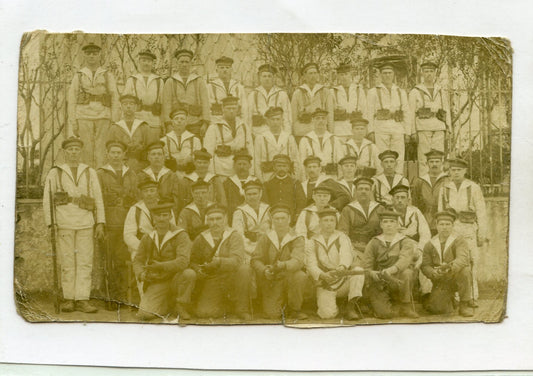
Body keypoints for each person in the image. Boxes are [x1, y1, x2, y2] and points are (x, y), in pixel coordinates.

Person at [43, 137, 105, 313]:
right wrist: (51, 223)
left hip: (86, 221)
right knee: (68, 261)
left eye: (76, 149)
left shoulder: (89, 172)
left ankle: (83, 299)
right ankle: (69, 298)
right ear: (64, 152)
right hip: (64, 222)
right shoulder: (55, 172)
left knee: (85, 260)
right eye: (70, 149)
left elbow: (98, 198)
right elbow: (47, 200)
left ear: (81, 151)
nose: (73, 152)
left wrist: (100, 222)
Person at [132, 201, 196, 321]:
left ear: (170, 217)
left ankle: (180, 305)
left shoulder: (180, 235)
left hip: (176, 278)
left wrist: (160, 266)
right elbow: (138, 260)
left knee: (189, 274)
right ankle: (168, 303)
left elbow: (183, 261)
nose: (161, 219)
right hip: (158, 280)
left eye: (165, 215)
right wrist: (141, 273)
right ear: (153, 218)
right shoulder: (148, 237)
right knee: (145, 314)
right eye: (158, 215)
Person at [189, 204, 252, 320]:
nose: (215, 222)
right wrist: (198, 270)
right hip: (213, 278)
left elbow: (237, 260)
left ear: (225, 219)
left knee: (244, 269)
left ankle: (242, 308)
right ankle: (225, 305)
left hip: (232, 276)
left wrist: (219, 261)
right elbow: (193, 261)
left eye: (218, 218)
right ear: (207, 221)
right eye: (211, 219)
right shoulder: (201, 238)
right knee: (204, 313)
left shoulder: (234, 236)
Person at [438, 158, 487, 303]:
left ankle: (471, 296)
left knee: (471, 262)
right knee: (451, 261)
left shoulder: (473, 187)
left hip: (469, 230)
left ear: (465, 171)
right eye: (453, 170)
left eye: (459, 170)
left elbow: (481, 212)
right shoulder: (444, 188)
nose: (456, 173)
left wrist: (481, 234)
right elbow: (440, 213)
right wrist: (442, 233)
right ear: (449, 172)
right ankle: (454, 296)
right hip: (451, 230)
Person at [96, 140, 138, 306]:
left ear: (124, 155)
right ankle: (110, 298)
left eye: (118, 153)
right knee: (108, 262)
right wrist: (100, 223)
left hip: (127, 226)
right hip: (109, 225)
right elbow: (98, 200)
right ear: (107, 155)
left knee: (123, 261)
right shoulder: (100, 174)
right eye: (112, 152)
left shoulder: (132, 175)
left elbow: (136, 199)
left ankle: (123, 296)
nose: (115, 156)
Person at [306, 207, 365, 320]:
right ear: (320, 223)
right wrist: (322, 275)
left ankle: (350, 306)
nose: (329, 224)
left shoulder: (342, 237)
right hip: (326, 280)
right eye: (325, 220)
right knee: (327, 315)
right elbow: (310, 264)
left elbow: (346, 254)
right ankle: (339, 306)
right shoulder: (312, 240)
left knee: (358, 272)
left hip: (342, 277)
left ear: (336, 222)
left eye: (332, 220)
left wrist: (342, 267)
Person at [251, 204, 308, 320]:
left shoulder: (297, 238)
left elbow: (298, 261)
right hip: (272, 277)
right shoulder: (266, 237)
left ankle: (294, 309)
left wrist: (283, 265)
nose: (280, 222)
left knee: (300, 276)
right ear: (272, 220)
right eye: (277, 219)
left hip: (289, 275)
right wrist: (264, 270)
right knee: (272, 315)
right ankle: (280, 304)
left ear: (289, 219)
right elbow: (256, 259)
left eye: (283, 218)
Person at [67, 42, 119, 167]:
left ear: (99, 55)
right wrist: (73, 121)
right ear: (84, 55)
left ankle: (100, 178)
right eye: (88, 53)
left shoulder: (107, 74)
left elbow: (115, 97)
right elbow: (72, 99)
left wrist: (114, 120)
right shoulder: (79, 75)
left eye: (95, 54)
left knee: (102, 149)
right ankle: (88, 178)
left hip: (103, 115)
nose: (92, 56)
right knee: (86, 149)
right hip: (84, 115)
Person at [362, 209, 418, 319]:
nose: (389, 225)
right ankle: (383, 304)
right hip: (380, 281)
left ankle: (406, 306)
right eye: (386, 222)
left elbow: (405, 260)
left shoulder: (405, 241)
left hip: (397, 278)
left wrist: (391, 270)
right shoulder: (374, 242)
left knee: (407, 273)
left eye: (392, 222)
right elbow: (367, 264)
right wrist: (372, 273)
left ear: (397, 224)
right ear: (381, 224)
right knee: (384, 314)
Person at [421, 209, 474, 317]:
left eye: (447, 224)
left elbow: (462, 259)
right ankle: (450, 299)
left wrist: (448, 268)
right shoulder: (429, 244)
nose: (444, 227)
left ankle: (464, 304)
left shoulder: (459, 240)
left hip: (455, 276)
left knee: (465, 271)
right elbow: (425, 265)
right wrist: (432, 273)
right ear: (436, 225)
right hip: (440, 279)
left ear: (452, 226)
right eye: (441, 224)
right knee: (437, 309)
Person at [367, 63, 411, 173]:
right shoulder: (373, 92)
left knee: (399, 157)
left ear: (394, 75)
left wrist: (407, 132)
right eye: (385, 73)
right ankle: (382, 182)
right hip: (381, 127)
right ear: (381, 75)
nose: (387, 75)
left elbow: (406, 112)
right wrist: (371, 131)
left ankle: (398, 182)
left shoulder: (401, 92)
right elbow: (369, 112)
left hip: (398, 128)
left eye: (390, 73)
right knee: (382, 156)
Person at [409, 61, 451, 175]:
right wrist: (412, 132)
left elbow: (446, 109)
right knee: (424, 158)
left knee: (438, 157)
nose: (429, 74)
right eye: (426, 71)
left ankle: (438, 184)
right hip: (423, 127)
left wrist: (448, 128)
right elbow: (411, 113)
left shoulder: (441, 90)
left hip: (439, 127)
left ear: (435, 73)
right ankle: (424, 184)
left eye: (431, 71)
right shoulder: (415, 91)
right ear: (422, 73)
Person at [390, 184, 432, 297]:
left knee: (424, 260)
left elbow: (425, 232)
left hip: (414, 245)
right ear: (392, 199)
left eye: (403, 198)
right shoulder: (388, 212)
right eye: (397, 197)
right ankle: (398, 295)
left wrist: (420, 248)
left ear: (408, 200)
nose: (400, 200)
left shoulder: (415, 212)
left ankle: (426, 293)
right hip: (396, 247)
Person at [124, 178, 177, 260]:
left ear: (157, 192)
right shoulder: (135, 209)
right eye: (145, 191)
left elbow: (173, 230)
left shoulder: (166, 207)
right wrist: (142, 248)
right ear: (141, 193)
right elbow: (128, 235)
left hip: (164, 247)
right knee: (141, 262)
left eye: (152, 190)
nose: (149, 194)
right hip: (142, 248)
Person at [203, 96, 253, 177]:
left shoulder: (244, 126)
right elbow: (208, 153)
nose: (231, 111)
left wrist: (251, 172)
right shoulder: (214, 127)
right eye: (228, 108)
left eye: (234, 108)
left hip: (240, 169)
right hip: (222, 169)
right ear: (222, 109)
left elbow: (250, 149)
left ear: (237, 109)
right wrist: (212, 174)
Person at [162, 49, 210, 131]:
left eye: (187, 62)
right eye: (181, 62)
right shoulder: (170, 81)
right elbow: (166, 104)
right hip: (176, 123)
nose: (184, 64)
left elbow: (205, 103)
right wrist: (168, 124)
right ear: (177, 63)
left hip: (195, 123)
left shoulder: (199, 81)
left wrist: (205, 123)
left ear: (191, 64)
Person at [107, 94, 157, 172]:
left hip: (141, 165)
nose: (128, 106)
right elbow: (109, 150)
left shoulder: (144, 127)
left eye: (131, 104)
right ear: (121, 107)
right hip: (120, 165)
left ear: (136, 107)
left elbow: (151, 148)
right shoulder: (114, 128)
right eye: (125, 104)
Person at [138, 141, 189, 215]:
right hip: (146, 213)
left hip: (166, 214)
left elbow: (176, 200)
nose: (156, 157)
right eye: (153, 154)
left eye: (159, 154)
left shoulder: (172, 176)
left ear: (164, 157)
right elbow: (138, 198)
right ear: (148, 157)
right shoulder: (141, 175)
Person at [122, 49, 164, 140]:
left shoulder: (159, 80)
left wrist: (163, 122)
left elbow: (163, 102)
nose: (146, 63)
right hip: (137, 118)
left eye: (149, 61)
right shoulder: (132, 79)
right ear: (139, 62)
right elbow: (125, 102)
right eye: (143, 60)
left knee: (153, 145)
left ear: (152, 63)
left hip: (154, 120)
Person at [338, 177, 384, 256]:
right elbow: (343, 233)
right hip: (355, 248)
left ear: (371, 191)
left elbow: (384, 231)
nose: (363, 191)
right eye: (360, 189)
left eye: (366, 189)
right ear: (356, 191)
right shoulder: (348, 209)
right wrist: (350, 249)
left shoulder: (380, 208)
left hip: (376, 247)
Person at [253, 107, 301, 182]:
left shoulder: (289, 137)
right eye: (272, 119)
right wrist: (261, 180)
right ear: (267, 121)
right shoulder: (260, 138)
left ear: (282, 121)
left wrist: (295, 178)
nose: (275, 122)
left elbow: (296, 159)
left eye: (278, 119)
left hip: (287, 177)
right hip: (268, 177)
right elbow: (257, 162)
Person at [232, 180, 272, 264]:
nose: (252, 197)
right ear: (245, 196)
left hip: (268, 246)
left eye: (254, 194)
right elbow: (239, 236)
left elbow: (274, 230)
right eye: (249, 194)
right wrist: (253, 249)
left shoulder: (268, 209)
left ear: (260, 194)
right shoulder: (239, 212)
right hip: (249, 249)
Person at [246, 64, 292, 136]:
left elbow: (287, 117)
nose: (267, 79)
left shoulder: (282, 94)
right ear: (260, 78)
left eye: (269, 76)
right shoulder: (253, 94)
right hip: (258, 133)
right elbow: (248, 117)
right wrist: (248, 136)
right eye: (264, 76)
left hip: (277, 133)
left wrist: (287, 135)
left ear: (274, 78)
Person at [291, 62, 334, 137]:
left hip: (321, 132)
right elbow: (293, 116)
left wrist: (330, 133)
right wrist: (294, 133)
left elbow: (330, 114)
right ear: (304, 76)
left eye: (315, 73)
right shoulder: (297, 93)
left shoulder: (325, 92)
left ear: (318, 75)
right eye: (310, 73)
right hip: (303, 132)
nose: (313, 76)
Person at [411, 149, 448, 234]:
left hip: (443, 221)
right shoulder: (420, 181)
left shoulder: (448, 180)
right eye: (431, 162)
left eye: (437, 161)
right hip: (424, 221)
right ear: (427, 163)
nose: (434, 164)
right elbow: (415, 203)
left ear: (442, 163)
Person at [299, 108, 343, 178]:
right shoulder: (305, 140)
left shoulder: (334, 139)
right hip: (313, 178)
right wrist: (305, 181)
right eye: (317, 118)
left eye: (323, 118)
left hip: (331, 177)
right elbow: (302, 164)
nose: (321, 121)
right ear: (313, 120)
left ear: (326, 121)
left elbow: (340, 163)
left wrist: (339, 180)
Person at [160, 107, 202, 177]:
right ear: (172, 122)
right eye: (176, 119)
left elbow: (199, 159)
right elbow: (162, 160)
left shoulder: (195, 140)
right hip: (171, 174)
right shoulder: (163, 140)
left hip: (190, 174)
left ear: (186, 122)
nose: (179, 121)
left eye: (182, 119)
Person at [330, 63, 367, 140]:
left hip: (356, 129)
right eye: (341, 75)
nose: (344, 77)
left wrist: (365, 129)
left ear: (350, 75)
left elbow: (365, 111)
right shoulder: (333, 91)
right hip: (339, 130)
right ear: (338, 76)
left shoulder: (359, 90)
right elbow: (330, 113)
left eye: (346, 74)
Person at [207, 56, 247, 120]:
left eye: (227, 67)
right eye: (222, 68)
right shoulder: (210, 87)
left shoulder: (238, 87)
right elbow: (207, 107)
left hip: (236, 120)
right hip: (217, 120)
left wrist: (242, 123)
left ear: (231, 70)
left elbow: (244, 108)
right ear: (217, 70)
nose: (225, 70)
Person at [263, 154, 301, 221]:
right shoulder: (267, 184)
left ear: (288, 167)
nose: (281, 169)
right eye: (279, 166)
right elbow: (265, 203)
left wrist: (297, 215)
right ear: (274, 167)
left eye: (284, 166)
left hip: (291, 218)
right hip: (272, 217)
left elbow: (301, 201)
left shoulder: (295, 183)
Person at [223, 150, 258, 220]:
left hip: (253, 216)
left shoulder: (256, 182)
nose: (242, 167)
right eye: (239, 164)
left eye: (244, 164)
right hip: (233, 217)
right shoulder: (228, 183)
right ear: (234, 165)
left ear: (250, 165)